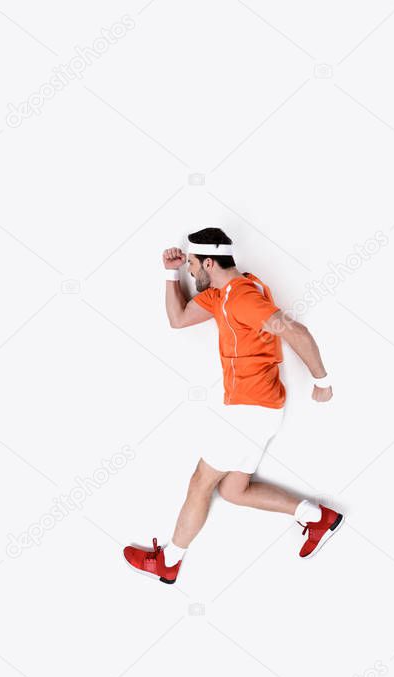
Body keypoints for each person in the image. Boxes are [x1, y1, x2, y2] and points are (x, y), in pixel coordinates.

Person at [123, 227, 343, 584]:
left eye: (193, 265)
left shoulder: (241, 297)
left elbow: (296, 332)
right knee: (233, 490)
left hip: (248, 410)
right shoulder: (221, 295)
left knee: (200, 483)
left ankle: (169, 561)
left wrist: (322, 381)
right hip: (257, 409)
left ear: (209, 262)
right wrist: (171, 273)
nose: (191, 272)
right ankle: (317, 517)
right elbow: (177, 320)